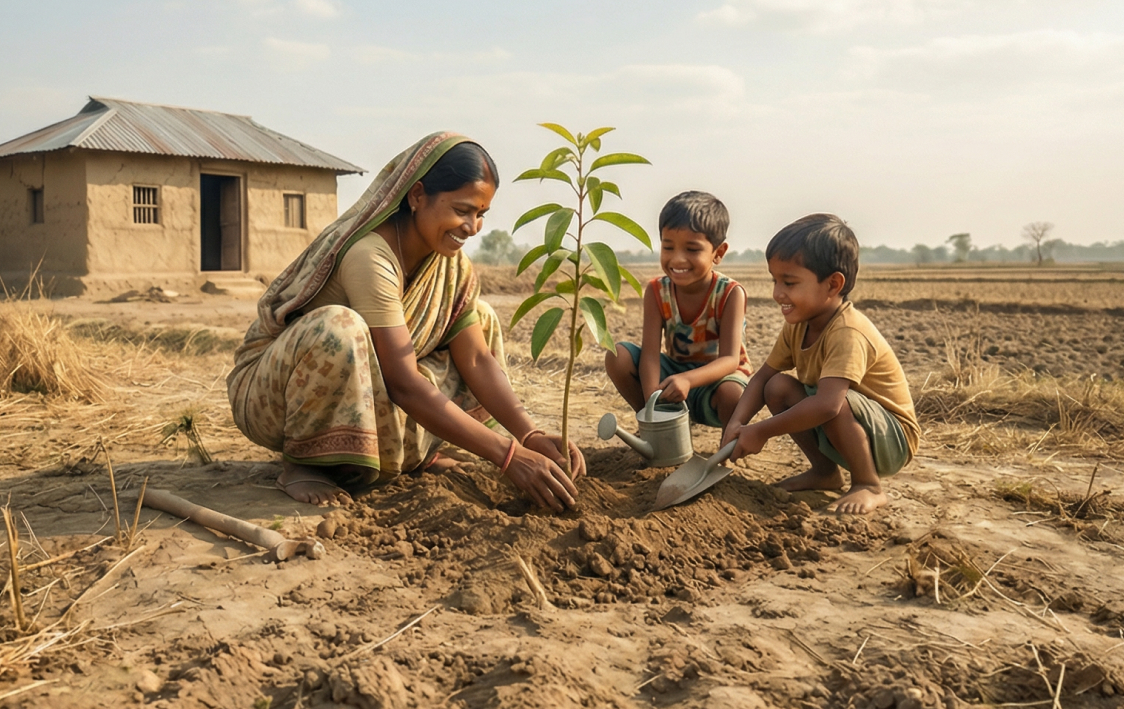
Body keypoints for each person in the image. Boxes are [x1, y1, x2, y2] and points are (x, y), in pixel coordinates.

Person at [227, 132, 585, 512]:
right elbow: (403, 383)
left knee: (481, 318)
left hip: (370, 389)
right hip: (271, 396)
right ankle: (304, 464)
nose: (472, 227)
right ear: (417, 196)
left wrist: (529, 435)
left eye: (481, 215)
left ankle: (417, 454)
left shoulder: (451, 267)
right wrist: (508, 456)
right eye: (462, 210)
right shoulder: (370, 256)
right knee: (339, 328)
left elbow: (477, 360)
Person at [720, 214, 919, 514]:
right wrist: (737, 423)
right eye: (775, 280)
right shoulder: (798, 325)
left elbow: (827, 406)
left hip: (892, 440)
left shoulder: (848, 331)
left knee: (833, 401)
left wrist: (760, 431)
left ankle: (868, 484)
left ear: (833, 284)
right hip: (850, 424)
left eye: (789, 282)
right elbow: (762, 378)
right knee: (777, 386)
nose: (777, 293)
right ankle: (825, 472)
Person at [605, 191, 752, 428]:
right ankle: (658, 428)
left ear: (718, 253)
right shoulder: (657, 291)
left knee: (732, 392)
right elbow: (650, 355)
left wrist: (687, 379)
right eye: (668, 247)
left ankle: (729, 444)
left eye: (692, 250)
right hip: (674, 375)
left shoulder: (729, 293)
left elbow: (729, 360)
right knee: (618, 356)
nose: (677, 259)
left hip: (716, 381)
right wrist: (653, 401)